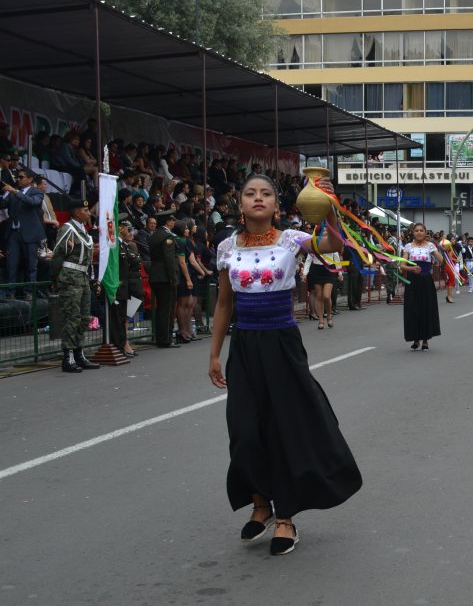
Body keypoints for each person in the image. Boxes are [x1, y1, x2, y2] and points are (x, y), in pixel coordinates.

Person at [208, 173, 362, 557]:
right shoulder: (227, 246)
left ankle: (286, 518)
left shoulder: (292, 240)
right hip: (244, 346)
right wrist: (214, 353)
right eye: (250, 193)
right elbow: (225, 303)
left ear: (278, 206)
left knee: (284, 429)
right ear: (239, 205)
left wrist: (330, 210)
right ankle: (261, 503)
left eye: (266, 194)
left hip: (282, 344)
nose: (258, 198)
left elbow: (333, 243)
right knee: (244, 429)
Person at [50, 199, 101, 373]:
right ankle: (68, 356)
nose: (89, 213)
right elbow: (58, 255)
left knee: (84, 317)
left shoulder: (84, 233)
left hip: (82, 277)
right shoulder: (67, 229)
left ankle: (80, 353)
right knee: (71, 317)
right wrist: (55, 278)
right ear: (77, 212)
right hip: (70, 278)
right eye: (85, 210)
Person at [399, 222, 442, 351]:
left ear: (425, 232)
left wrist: (445, 251)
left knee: (426, 309)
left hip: (426, 282)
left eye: (421, 230)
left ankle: (425, 340)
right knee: (413, 309)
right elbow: (402, 265)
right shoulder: (408, 246)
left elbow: (442, 261)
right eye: (416, 230)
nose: (419, 232)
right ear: (413, 232)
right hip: (412, 282)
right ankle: (415, 338)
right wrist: (412, 268)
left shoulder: (430, 246)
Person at [5, 168, 47, 296]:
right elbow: (2, 204)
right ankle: (10, 293)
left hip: (30, 233)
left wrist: (15, 191)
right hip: (14, 233)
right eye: (17, 177)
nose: (18, 179)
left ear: (30, 179)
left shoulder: (36, 192)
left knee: (31, 266)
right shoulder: (12, 192)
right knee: (11, 265)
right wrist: (6, 193)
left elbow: (32, 202)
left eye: (21, 177)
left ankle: (29, 293)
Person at [112, 218, 145, 358]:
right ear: (120, 228)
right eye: (128, 229)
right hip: (127, 286)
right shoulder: (119, 246)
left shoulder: (128, 246)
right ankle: (123, 344)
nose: (130, 233)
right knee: (123, 317)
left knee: (126, 316)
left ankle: (125, 343)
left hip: (134, 287)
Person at [148, 209, 180, 348]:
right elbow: (169, 259)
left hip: (155, 274)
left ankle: (161, 337)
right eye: (172, 220)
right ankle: (165, 338)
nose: (173, 222)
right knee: (167, 309)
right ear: (168, 221)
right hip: (165, 276)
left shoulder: (155, 235)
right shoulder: (168, 237)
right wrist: (173, 278)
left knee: (161, 308)